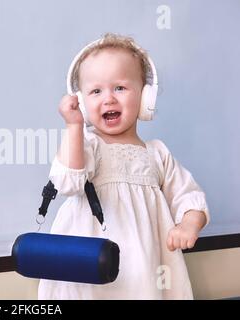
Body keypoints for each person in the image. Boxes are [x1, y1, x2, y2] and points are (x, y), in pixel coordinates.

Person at [38, 33, 210, 299]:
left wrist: (188, 225)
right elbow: (68, 181)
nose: (108, 99)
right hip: (92, 264)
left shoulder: (157, 153)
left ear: (145, 97)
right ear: (82, 103)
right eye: (96, 91)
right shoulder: (87, 146)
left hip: (145, 267)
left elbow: (190, 198)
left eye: (119, 87)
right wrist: (74, 126)